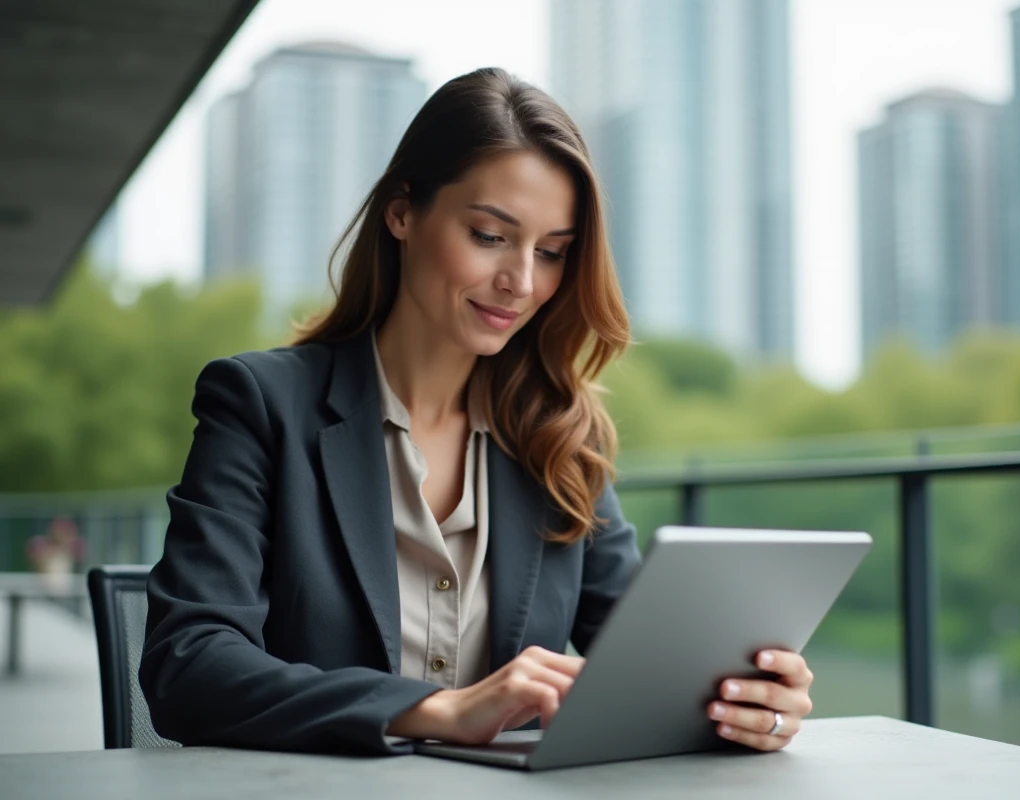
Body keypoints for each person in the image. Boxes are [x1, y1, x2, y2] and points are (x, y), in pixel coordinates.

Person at [140, 67, 815, 755]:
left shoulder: (560, 438)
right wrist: (436, 709)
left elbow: (644, 663)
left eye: (552, 252)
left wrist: (744, 698)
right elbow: (188, 665)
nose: (522, 282)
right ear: (401, 212)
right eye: (490, 236)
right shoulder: (260, 404)